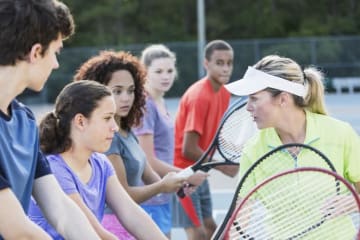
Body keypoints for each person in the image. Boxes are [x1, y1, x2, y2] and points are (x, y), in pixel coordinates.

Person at [224, 54, 360, 239]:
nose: (248, 107)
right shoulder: (254, 149)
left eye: (254, 98)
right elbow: (242, 213)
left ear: (283, 99)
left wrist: (353, 201)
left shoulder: (340, 133)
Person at [0, 0, 101, 239]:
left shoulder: (24, 120)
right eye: (55, 52)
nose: (56, 64)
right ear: (35, 52)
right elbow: (16, 230)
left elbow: (61, 209)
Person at [27, 80, 168, 240]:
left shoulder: (100, 162)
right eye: (107, 118)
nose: (114, 127)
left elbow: (131, 212)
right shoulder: (54, 168)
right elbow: (95, 233)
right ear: (80, 121)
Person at [73, 50, 191, 238]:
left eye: (130, 90)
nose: (126, 98)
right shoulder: (107, 139)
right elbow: (123, 196)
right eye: (117, 91)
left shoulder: (127, 132)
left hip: (133, 221)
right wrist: (162, 187)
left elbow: (150, 175)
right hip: (113, 226)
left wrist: (179, 181)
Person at [133, 44, 208, 238]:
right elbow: (147, 160)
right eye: (158, 71)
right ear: (145, 72)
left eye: (169, 70)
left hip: (162, 195)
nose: (165, 76)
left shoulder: (159, 101)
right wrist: (186, 175)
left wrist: (180, 179)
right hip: (149, 196)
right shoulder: (145, 105)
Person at [173, 39, 239, 240]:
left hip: (200, 170)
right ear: (206, 64)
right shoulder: (200, 96)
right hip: (182, 173)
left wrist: (229, 156)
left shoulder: (224, 93)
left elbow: (214, 135)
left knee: (213, 230)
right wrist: (223, 166)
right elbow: (188, 149)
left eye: (229, 63)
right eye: (219, 63)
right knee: (198, 234)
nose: (226, 68)